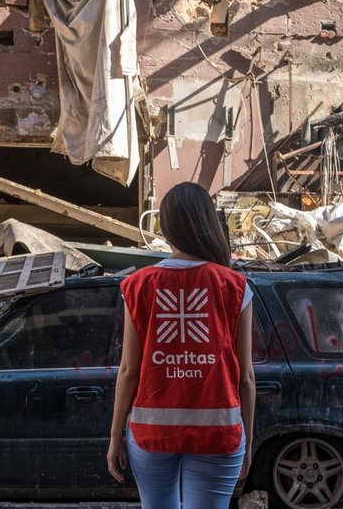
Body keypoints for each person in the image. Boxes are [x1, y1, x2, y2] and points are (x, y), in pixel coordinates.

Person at [107, 181, 256, 509]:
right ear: (208, 222)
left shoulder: (139, 285)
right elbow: (245, 375)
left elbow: (129, 370)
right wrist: (248, 438)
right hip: (219, 432)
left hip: (151, 432)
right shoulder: (235, 285)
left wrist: (115, 435)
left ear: (166, 227)